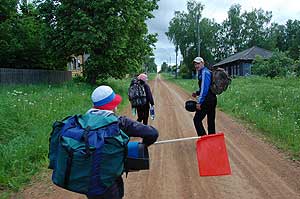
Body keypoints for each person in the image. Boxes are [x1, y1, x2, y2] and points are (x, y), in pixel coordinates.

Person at [87, 85, 159, 199]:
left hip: (88, 181)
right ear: (113, 106)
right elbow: (152, 133)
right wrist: (140, 146)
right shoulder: (120, 122)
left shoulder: (83, 121)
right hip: (109, 182)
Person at [192, 57, 217, 136]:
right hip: (213, 99)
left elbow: (204, 89)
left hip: (207, 100)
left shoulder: (204, 72)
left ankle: (204, 139)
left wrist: (199, 102)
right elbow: (207, 87)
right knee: (211, 121)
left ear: (203, 63)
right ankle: (212, 141)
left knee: (197, 120)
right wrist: (197, 93)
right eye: (195, 64)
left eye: (198, 63)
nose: (196, 66)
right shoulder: (207, 72)